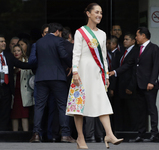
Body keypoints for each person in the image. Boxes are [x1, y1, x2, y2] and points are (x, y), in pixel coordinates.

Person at [66, 3, 123, 149]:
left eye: (101, 13)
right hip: (82, 71)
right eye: (96, 12)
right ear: (88, 13)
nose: (99, 15)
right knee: (79, 105)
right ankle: (80, 137)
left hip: (97, 72)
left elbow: (103, 57)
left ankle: (109, 134)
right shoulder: (80, 32)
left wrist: (106, 76)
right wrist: (76, 72)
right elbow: (76, 53)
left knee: (102, 101)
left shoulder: (103, 34)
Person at [29, 23, 75, 143]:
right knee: (62, 105)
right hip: (57, 76)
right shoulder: (58, 40)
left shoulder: (39, 42)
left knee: (39, 106)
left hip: (41, 77)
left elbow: (37, 59)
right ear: (57, 32)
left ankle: (36, 134)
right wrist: (71, 65)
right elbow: (64, 55)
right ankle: (65, 134)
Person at [0, 34, 32, 131]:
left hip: (6, 88)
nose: (4, 43)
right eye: (1, 41)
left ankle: (3, 135)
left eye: (5, 41)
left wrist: (38, 64)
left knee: (5, 112)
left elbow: (21, 64)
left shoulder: (9, 56)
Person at [130, 27, 159, 142]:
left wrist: (152, 81)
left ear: (143, 36)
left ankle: (154, 134)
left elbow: (156, 66)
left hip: (149, 85)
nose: (136, 38)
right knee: (141, 110)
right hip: (139, 84)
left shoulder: (154, 48)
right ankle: (141, 134)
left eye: (137, 35)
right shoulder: (137, 49)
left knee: (151, 109)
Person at [109, 32, 139, 131]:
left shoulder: (136, 51)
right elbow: (116, 66)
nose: (124, 41)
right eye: (124, 39)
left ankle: (133, 132)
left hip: (129, 87)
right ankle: (121, 131)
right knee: (120, 111)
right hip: (119, 87)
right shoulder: (121, 52)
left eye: (127, 39)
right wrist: (113, 87)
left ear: (133, 41)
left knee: (131, 111)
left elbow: (133, 70)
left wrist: (131, 86)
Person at [11, 44, 34, 131]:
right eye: (14, 51)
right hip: (14, 91)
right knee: (14, 114)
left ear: (22, 52)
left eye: (18, 50)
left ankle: (25, 134)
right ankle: (14, 135)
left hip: (24, 91)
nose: (16, 53)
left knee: (24, 114)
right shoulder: (10, 62)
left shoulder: (27, 62)